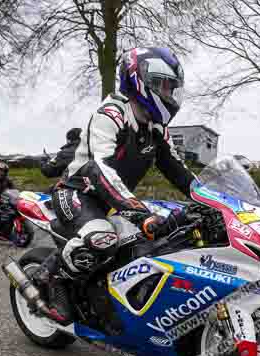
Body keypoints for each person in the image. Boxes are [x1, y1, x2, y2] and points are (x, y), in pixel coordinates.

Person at [33, 46, 196, 324]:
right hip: (77, 193)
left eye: (172, 88)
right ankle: (52, 278)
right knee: (102, 237)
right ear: (141, 80)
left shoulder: (157, 128)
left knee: (164, 236)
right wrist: (139, 212)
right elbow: (100, 169)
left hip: (115, 200)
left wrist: (214, 200)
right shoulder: (111, 114)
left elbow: (180, 172)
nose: (169, 94)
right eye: (164, 86)